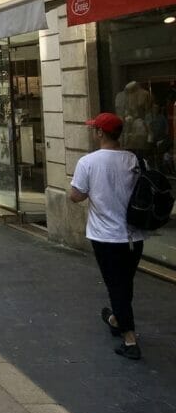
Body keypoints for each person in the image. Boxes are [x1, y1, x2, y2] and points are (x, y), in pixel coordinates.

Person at [69, 112, 146, 360]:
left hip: (106, 237)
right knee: (125, 283)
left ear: (101, 133)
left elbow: (76, 195)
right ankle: (115, 319)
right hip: (134, 237)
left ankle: (130, 339)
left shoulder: (88, 162)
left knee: (117, 286)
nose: (94, 133)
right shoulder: (134, 160)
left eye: (95, 129)